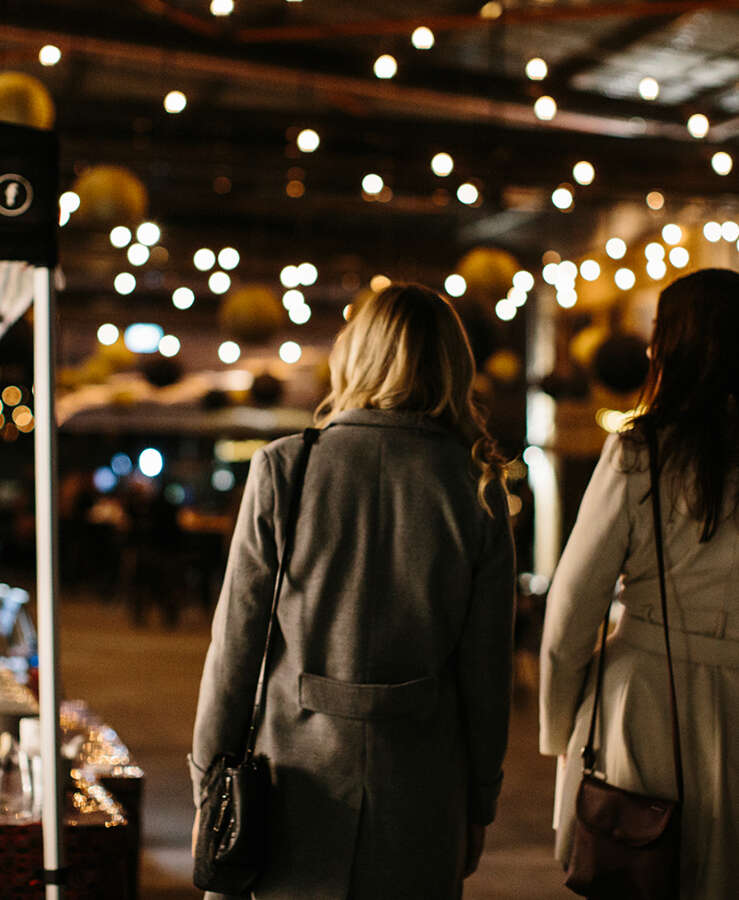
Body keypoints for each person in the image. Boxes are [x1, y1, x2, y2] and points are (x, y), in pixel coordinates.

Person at [189, 283, 516, 900]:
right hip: (423, 791)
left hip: (291, 789)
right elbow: (486, 673)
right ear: (454, 365)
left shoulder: (287, 468)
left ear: (355, 355)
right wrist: (479, 803)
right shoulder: (476, 488)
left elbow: (234, 649)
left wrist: (211, 781)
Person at [539, 268, 739, 898]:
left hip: (643, 697)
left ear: (672, 347)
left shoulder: (639, 452)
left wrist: (556, 725)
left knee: (639, 869)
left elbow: (573, 606)